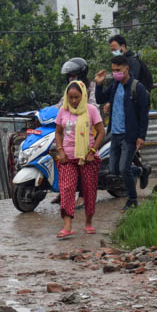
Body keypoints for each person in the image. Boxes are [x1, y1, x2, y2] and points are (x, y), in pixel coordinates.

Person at [95, 55, 152, 211]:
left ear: (127, 68)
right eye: (113, 70)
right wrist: (99, 84)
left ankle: (132, 200)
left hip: (130, 135)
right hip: (115, 133)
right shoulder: (114, 85)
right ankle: (141, 170)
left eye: (118, 70)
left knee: (123, 169)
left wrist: (141, 136)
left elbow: (143, 116)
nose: (115, 73)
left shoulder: (137, 88)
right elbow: (100, 99)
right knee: (114, 170)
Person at [54, 81, 105, 238]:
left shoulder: (91, 110)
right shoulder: (63, 111)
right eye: (71, 98)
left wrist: (93, 151)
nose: (74, 101)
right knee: (67, 189)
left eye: (77, 97)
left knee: (89, 190)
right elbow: (58, 132)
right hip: (68, 158)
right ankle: (67, 225)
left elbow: (101, 132)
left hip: (87, 157)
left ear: (83, 96)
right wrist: (60, 151)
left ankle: (88, 222)